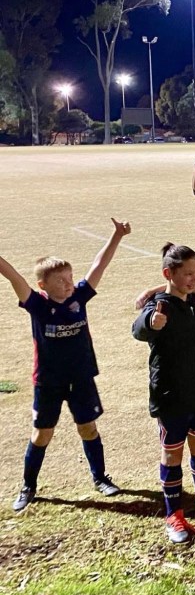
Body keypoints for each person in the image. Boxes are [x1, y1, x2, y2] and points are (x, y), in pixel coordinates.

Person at [3, 218, 131, 512]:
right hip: (48, 382)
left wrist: (116, 235)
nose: (68, 283)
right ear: (43, 285)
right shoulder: (37, 304)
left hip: (81, 378)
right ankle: (28, 486)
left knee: (88, 428)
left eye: (70, 277)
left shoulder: (79, 298)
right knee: (42, 434)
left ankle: (100, 478)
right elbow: (13, 277)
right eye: (60, 280)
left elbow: (99, 266)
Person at [132, 244, 195, 542]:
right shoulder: (159, 306)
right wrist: (151, 322)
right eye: (187, 273)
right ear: (168, 274)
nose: (193, 279)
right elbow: (139, 328)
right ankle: (174, 515)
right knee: (172, 454)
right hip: (171, 396)